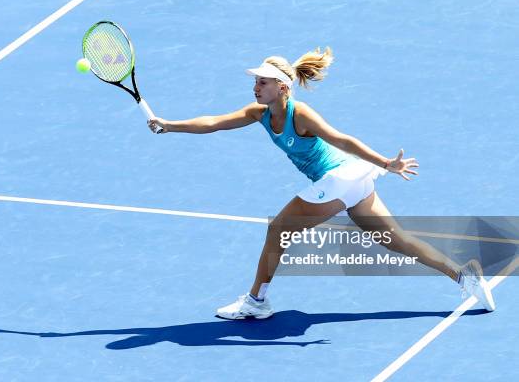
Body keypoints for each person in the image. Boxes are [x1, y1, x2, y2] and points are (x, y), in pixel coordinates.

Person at [147, 47, 495, 319]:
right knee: (395, 240)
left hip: (339, 179)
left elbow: (342, 140)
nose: (255, 86)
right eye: (255, 81)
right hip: (352, 182)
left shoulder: (301, 114)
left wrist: (386, 163)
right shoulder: (258, 114)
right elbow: (215, 122)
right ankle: (464, 276)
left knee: (279, 230)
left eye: (263, 82)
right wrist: (170, 125)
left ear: (282, 87)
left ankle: (256, 302)